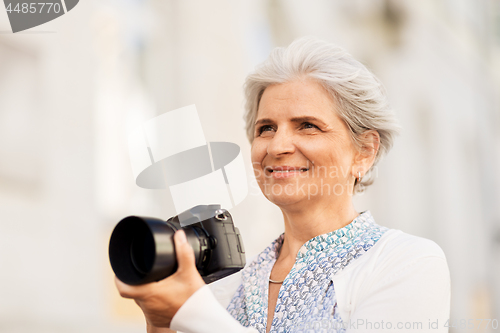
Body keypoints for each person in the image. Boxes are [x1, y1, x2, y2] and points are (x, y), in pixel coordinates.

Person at [115, 37, 451, 333]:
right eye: (266, 129)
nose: (277, 147)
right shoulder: (227, 286)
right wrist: (162, 324)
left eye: (307, 125)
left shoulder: (407, 263)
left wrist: (192, 314)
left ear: (364, 151)